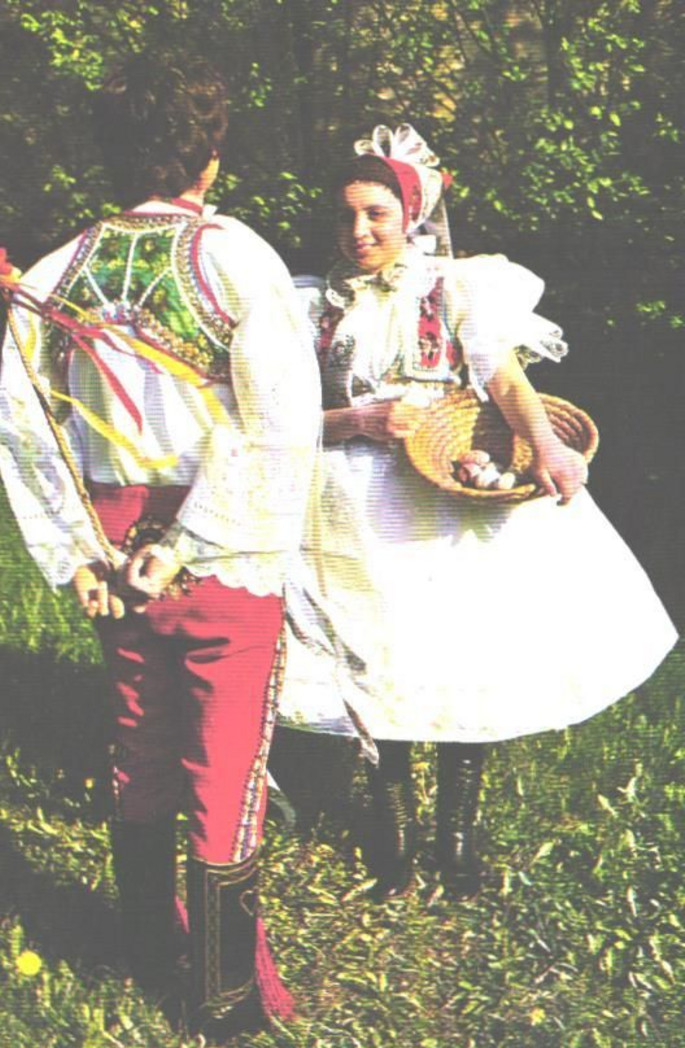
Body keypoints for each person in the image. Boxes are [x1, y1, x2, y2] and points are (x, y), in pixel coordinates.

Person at [0, 54, 320, 1034]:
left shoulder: (56, 274)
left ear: (109, 154)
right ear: (211, 158)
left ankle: (140, 939)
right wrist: (193, 542)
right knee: (225, 762)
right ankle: (224, 993)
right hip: (215, 551)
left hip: (114, 541)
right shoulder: (239, 260)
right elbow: (278, 422)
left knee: (141, 740)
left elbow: (24, 424)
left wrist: (77, 553)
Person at [276, 124, 677, 900]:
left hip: (448, 500)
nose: (358, 233)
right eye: (345, 217)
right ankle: (391, 830)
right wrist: (354, 422)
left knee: (464, 652)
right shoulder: (311, 305)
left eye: (376, 216)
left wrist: (545, 449)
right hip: (355, 505)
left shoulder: (454, 288)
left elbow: (502, 380)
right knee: (377, 656)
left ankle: (453, 839)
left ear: (410, 217)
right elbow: (276, 415)